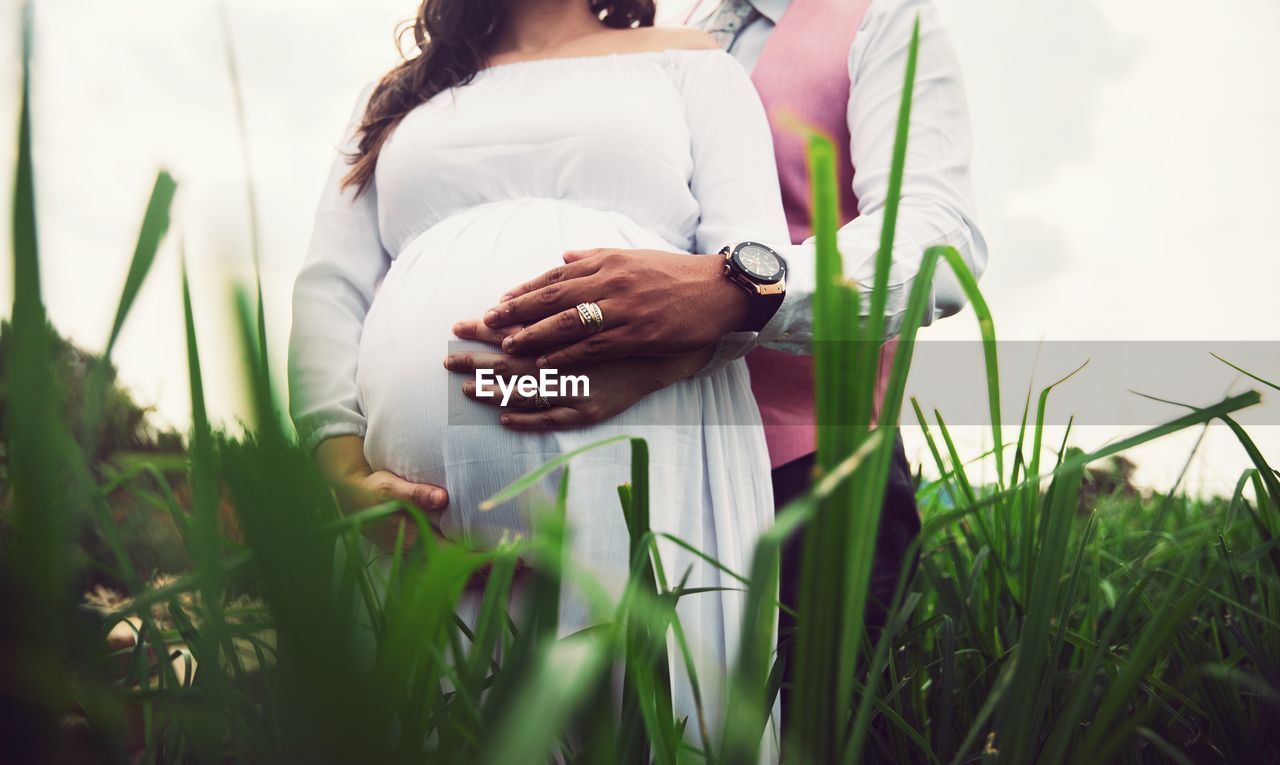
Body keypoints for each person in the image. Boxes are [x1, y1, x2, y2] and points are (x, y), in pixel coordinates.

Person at [453, 0, 988, 732]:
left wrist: (736, 291)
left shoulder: (882, 18)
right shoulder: (663, 36)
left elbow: (936, 239)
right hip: (643, 466)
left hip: (811, 475)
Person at [287, 0, 790, 747]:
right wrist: (343, 471)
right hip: (417, 532)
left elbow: (749, 268)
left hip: (648, 468)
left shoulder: (690, 62)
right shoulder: (399, 97)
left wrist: (661, 349)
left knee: (657, 724)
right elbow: (330, 290)